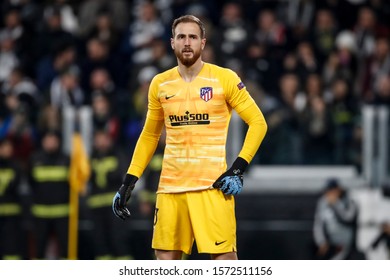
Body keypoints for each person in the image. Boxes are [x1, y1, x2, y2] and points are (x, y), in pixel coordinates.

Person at [112, 15, 268, 260]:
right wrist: (129, 181)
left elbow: (258, 123)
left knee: (225, 264)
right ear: (172, 42)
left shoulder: (224, 78)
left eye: (193, 37)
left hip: (212, 188)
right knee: (166, 264)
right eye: (181, 36)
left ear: (203, 43)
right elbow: (150, 135)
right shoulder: (160, 84)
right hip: (170, 190)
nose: (187, 42)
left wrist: (238, 168)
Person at [313, 178, 359, 260]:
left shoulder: (349, 200)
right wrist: (321, 242)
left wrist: (335, 204)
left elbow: (348, 219)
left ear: (338, 189)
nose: (330, 194)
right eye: (328, 191)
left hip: (347, 245)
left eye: (332, 191)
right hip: (330, 244)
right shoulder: (323, 202)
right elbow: (318, 224)